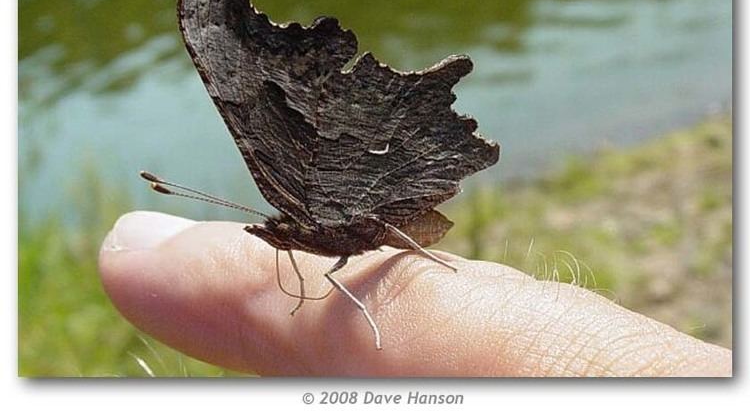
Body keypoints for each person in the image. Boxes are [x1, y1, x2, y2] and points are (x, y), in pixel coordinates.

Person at [98, 211, 731, 377]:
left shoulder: (315, 217)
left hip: (389, 195)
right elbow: (296, 264)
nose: (270, 235)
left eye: (272, 232)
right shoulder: (301, 241)